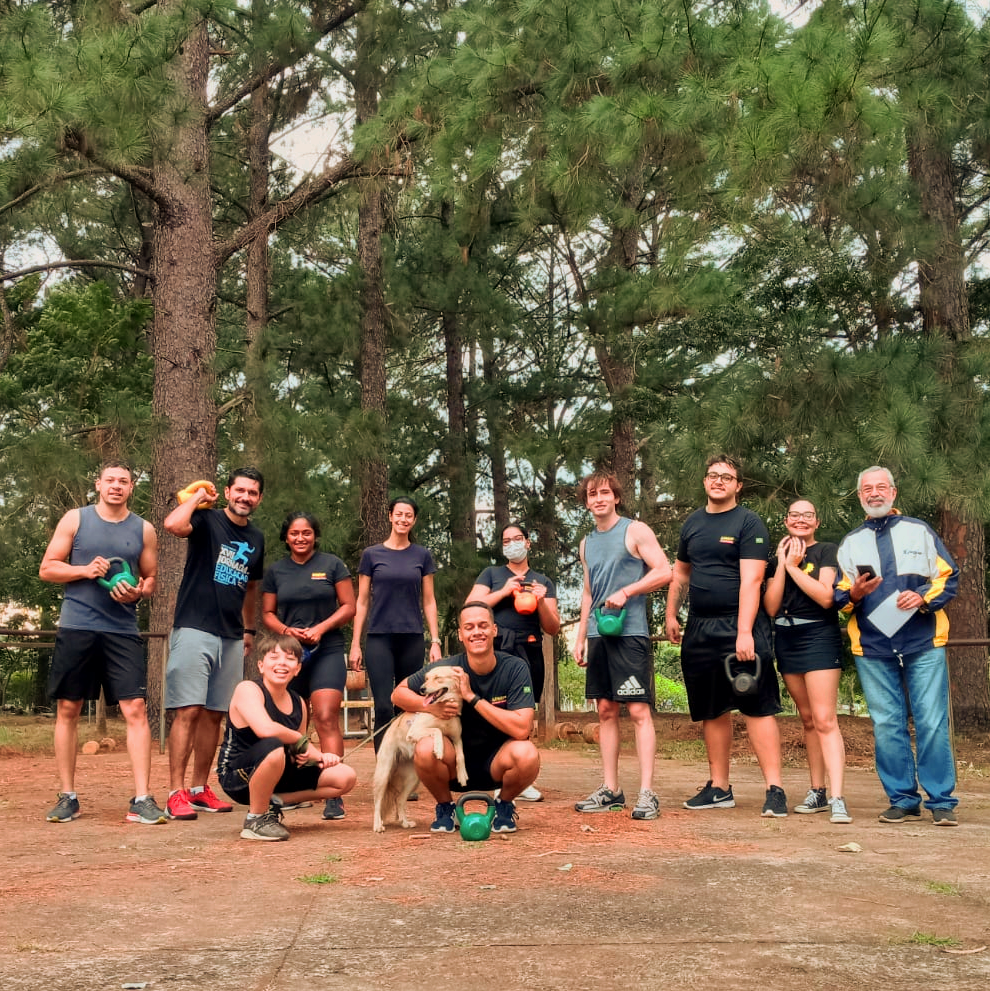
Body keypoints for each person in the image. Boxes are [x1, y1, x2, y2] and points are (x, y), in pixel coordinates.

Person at [39, 460, 165, 825]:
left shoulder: (144, 529)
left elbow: (151, 577)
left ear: (131, 488)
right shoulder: (75, 519)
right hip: (77, 626)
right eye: (110, 480)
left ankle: (142, 799)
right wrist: (84, 570)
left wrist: (138, 593)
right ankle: (68, 796)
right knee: (68, 709)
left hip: (122, 630)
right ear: (98, 484)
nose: (116, 486)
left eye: (123, 481)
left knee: (136, 709)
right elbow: (48, 568)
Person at [835, 466, 960, 826]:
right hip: (872, 646)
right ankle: (902, 799)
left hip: (923, 640)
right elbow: (840, 597)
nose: (874, 493)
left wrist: (921, 597)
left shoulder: (919, 531)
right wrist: (854, 594)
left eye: (881, 487)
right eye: (867, 489)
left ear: (893, 491)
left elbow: (947, 576)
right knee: (887, 724)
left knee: (932, 722)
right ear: (860, 496)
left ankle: (941, 801)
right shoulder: (850, 542)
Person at [666, 455, 787, 817]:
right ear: (705, 482)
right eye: (713, 476)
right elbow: (681, 573)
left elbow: (752, 579)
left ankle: (775, 790)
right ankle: (719, 787)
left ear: (738, 485)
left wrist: (745, 632)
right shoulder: (692, 524)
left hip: (740, 626)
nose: (719, 481)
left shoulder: (749, 522)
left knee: (756, 706)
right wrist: (672, 613)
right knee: (712, 709)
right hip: (699, 627)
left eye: (727, 477)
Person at [163, 467, 265, 821]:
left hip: (232, 635)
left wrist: (249, 630)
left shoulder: (257, 537)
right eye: (240, 490)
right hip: (194, 627)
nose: (245, 497)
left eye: (252, 493)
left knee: (214, 715)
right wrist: (195, 498)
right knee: (188, 710)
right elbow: (174, 525)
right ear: (227, 491)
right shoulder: (205, 520)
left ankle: (198, 788)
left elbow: (251, 586)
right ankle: (175, 793)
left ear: (259, 498)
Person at [573, 471, 673, 822]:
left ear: (616, 497)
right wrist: (581, 635)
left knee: (638, 711)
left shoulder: (635, 530)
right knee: (605, 712)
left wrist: (628, 591)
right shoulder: (586, 543)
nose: (598, 499)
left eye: (604, 493)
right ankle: (611, 790)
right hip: (600, 636)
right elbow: (588, 592)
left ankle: (647, 793)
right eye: (591, 494)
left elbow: (664, 570)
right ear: (587, 502)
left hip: (630, 633)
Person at [391, 601, 540, 834]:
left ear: (494, 630)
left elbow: (522, 729)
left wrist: (471, 697)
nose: (477, 632)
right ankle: (445, 808)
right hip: (450, 762)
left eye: (483, 625)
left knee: (527, 753)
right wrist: (430, 707)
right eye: (469, 627)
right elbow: (398, 693)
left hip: (496, 763)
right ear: (461, 635)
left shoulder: (515, 668)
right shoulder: (446, 668)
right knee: (425, 747)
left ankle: (504, 806)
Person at [216, 633, 357, 841]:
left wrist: (310, 757)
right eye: (274, 657)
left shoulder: (298, 701)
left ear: (298, 668)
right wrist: (304, 744)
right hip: (238, 775)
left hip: (278, 772)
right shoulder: (248, 689)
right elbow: (266, 729)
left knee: (344, 776)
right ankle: (256, 819)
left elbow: (296, 749)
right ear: (261, 665)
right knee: (273, 746)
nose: (282, 663)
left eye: (290, 658)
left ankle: (273, 802)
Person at [262, 511, 356, 820]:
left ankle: (334, 791)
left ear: (315, 535)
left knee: (326, 714)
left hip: (326, 647)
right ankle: (294, 785)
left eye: (306, 533)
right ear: (285, 537)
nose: (300, 538)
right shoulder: (276, 570)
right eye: (294, 533)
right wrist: (288, 633)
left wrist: (320, 629)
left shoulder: (332, 565)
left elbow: (349, 606)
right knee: (293, 722)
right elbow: (268, 613)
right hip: (290, 653)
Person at [764, 499, 850, 824]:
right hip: (786, 639)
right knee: (808, 719)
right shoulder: (778, 558)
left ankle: (838, 797)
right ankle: (818, 791)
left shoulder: (826, 551)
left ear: (816, 521)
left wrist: (795, 567)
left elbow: (827, 596)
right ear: (787, 521)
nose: (801, 520)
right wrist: (783, 565)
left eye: (808, 515)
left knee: (826, 719)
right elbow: (771, 607)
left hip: (818, 637)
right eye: (795, 515)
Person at [466, 521, 560, 801]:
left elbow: (553, 627)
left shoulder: (543, 581)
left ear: (528, 543)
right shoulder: (492, 574)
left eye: (517, 539)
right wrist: (504, 591)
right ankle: (495, 772)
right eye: (506, 541)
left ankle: (520, 776)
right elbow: (471, 607)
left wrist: (541, 601)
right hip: (497, 650)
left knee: (523, 711)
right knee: (496, 708)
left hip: (529, 649)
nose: (511, 544)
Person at [349, 496, 442, 753]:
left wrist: (435, 641)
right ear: (390, 516)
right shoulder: (371, 555)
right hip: (379, 638)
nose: (403, 519)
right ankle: (385, 769)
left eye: (408, 515)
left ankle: (406, 766)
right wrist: (355, 644)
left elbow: (429, 600)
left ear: (414, 520)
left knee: (408, 704)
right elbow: (362, 601)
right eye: (399, 514)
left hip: (411, 638)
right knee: (382, 706)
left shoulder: (422, 556)